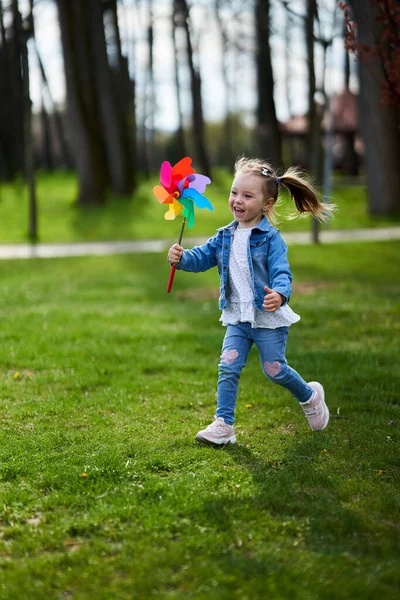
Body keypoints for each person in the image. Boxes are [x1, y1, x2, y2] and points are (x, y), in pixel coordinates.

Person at [167, 157, 333, 446]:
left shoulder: (271, 239)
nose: (237, 200)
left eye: (247, 195)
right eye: (234, 192)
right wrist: (182, 258)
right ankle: (224, 425)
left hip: (267, 318)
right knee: (228, 366)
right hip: (238, 319)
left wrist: (279, 295)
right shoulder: (223, 236)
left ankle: (309, 395)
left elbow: (282, 272)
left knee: (274, 370)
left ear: (267, 204)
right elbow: (202, 257)